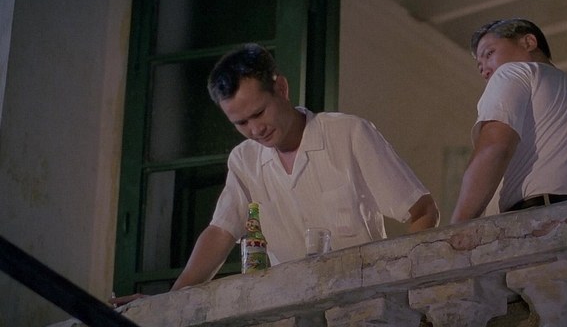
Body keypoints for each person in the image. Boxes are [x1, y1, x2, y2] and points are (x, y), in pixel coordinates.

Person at [113, 43, 438, 304]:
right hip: (292, 311)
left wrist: (402, 285)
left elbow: (422, 210)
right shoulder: (244, 160)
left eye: (259, 113)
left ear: (281, 88)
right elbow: (220, 232)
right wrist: (170, 301)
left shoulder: (349, 134)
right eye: (241, 123)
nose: (255, 129)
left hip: (365, 300)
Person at [450, 18, 567, 223]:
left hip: (544, 221)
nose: (484, 70)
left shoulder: (513, 72)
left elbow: (494, 147)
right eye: (480, 67)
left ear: (528, 42)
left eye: (489, 53)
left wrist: (454, 230)